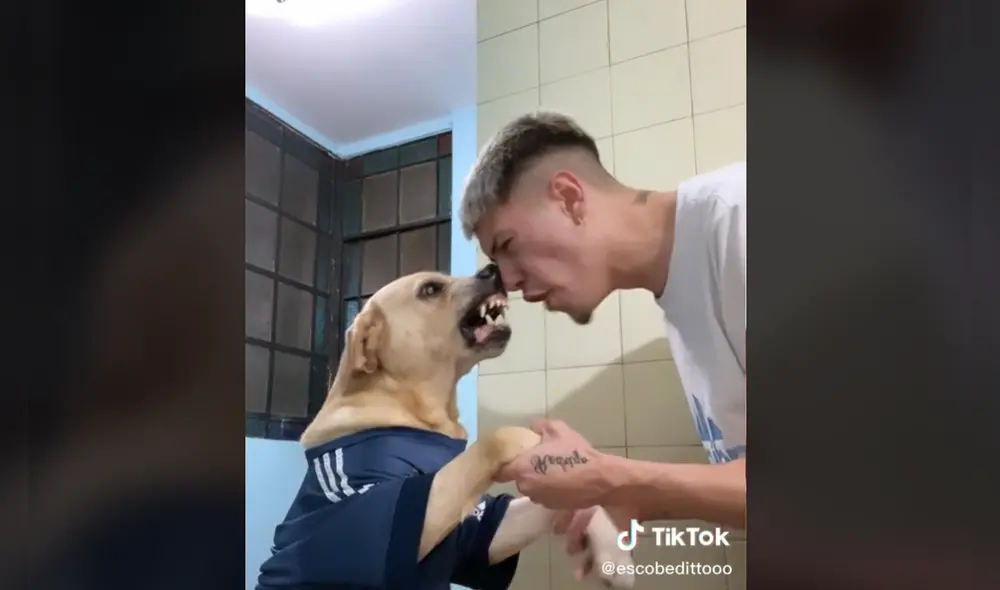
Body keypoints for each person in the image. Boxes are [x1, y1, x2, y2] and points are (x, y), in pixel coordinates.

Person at [458, 112, 746, 542]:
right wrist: (632, 496)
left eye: (509, 246)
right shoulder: (681, 299)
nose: (511, 283)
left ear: (570, 197)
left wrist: (612, 478)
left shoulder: (744, 217)